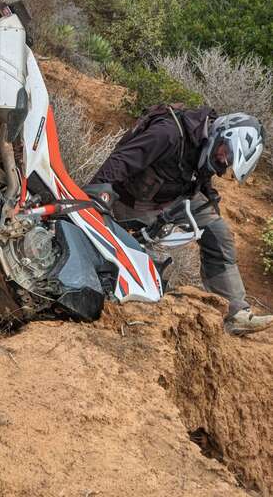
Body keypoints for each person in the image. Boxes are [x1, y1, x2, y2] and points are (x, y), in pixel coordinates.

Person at [91, 105, 272, 336]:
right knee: (150, 262)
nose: (222, 159)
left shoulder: (211, 147)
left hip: (177, 195)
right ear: (222, 131)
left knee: (217, 233)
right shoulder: (168, 133)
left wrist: (209, 202)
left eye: (228, 161)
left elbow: (200, 175)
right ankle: (137, 319)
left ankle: (236, 314)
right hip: (135, 201)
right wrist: (95, 196)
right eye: (225, 152)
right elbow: (122, 160)